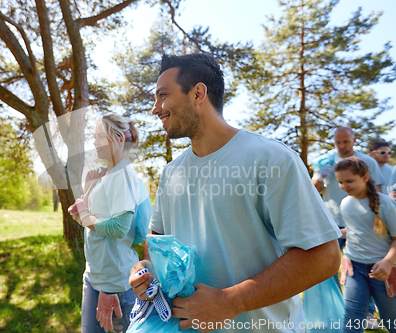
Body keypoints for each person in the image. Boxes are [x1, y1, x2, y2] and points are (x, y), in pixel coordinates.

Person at [129, 53, 341, 333]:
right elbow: (156, 240)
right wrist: (144, 270)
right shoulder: (172, 173)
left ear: (198, 93)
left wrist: (231, 301)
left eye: (162, 95)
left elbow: (324, 256)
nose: (155, 108)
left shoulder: (272, 159)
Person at [69, 114, 151, 333]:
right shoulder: (108, 174)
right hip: (95, 277)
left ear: (117, 139)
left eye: (99, 137)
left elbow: (117, 228)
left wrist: (110, 288)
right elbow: (90, 221)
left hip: (114, 283)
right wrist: (87, 191)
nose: (94, 143)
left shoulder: (121, 175)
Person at [334, 157, 396, 333]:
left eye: (349, 181)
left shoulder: (386, 204)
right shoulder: (345, 203)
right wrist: (346, 254)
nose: (344, 186)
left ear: (365, 177)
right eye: (340, 182)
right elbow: (354, 231)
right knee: (351, 319)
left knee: (391, 320)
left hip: (385, 271)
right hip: (355, 269)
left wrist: (388, 262)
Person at [312, 127, 383, 249]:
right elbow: (313, 190)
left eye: (346, 141)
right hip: (332, 219)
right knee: (329, 264)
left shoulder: (367, 161)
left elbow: (377, 190)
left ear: (354, 140)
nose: (341, 145)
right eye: (338, 142)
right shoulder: (326, 162)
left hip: (360, 219)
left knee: (360, 262)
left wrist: (376, 215)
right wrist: (320, 176)